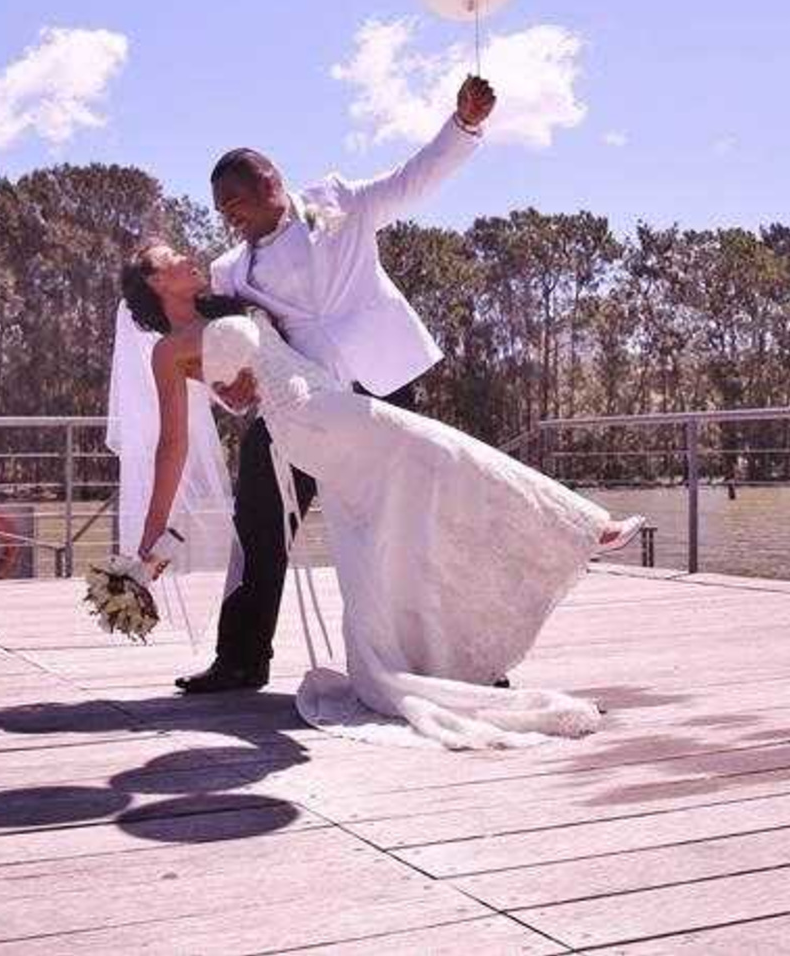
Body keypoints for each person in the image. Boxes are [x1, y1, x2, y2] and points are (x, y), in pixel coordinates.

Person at [119, 252, 644, 750]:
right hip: (310, 420)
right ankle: (582, 527)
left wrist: (241, 385)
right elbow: (174, 444)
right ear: (154, 282)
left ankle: (426, 654)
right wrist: (150, 540)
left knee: (391, 526)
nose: (188, 259)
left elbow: (245, 382)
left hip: (328, 401)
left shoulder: (225, 307)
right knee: (444, 450)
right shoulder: (169, 350)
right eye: (171, 259)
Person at [181, 76, 493, 696]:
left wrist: (463, 126)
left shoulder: (340, 202)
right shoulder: (229, 271)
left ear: (271, 184)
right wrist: (231, 392)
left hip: (380, 388)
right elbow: (232, 351)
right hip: (296, 404)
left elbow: (414, 178)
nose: (228, 219)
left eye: (233, 203)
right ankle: (240, 659)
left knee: (408, 527)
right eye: (221, 211)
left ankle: (455, 663)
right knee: (260, 520)